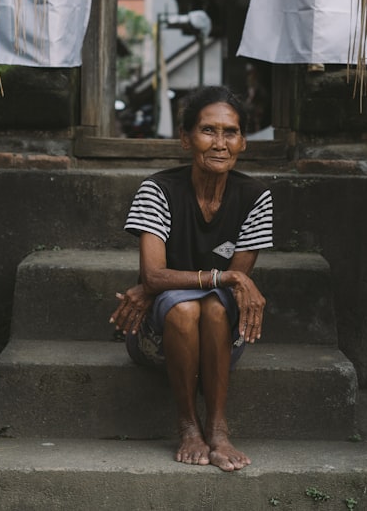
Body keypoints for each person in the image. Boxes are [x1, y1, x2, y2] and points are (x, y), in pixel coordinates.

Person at [110, 86, 273, 472]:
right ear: (186, 139)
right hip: (156, 339)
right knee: (184, 309)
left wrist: (157, 286)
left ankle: (217, 430)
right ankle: (188, 426)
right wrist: (221, 274)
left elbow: (224, 290)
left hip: (219, 336)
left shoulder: (255, 197)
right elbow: (153, 274)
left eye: (230, 132)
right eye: (207, 131)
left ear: (243, 142)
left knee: (215, 309)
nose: (220, 143)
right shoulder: (159, 189)